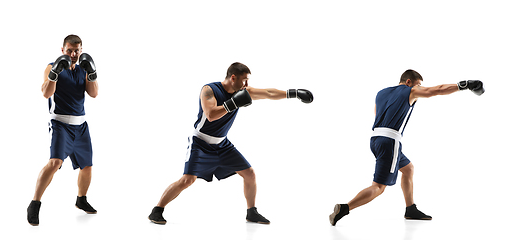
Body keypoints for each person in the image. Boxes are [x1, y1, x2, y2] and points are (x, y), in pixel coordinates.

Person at [148, 62, 313, 225]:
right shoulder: (209, 89)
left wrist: (294, 93)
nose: (247, 84)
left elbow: (268, 93)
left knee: (249, 173)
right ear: (233, 77)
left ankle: (252, 212)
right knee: (187, 180)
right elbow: (211, 114)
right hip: (200, 142)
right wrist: (233, 103)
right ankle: (157, 210)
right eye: (244, 80)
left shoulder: (242, 91)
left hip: (222, 145)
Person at [329, 69, 484, 226]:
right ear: (409, 82)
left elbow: (377, 114)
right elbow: (437, 90)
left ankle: (410, 209)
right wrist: (463, 86)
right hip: (390, 142)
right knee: (379, 187)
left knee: (408, 168)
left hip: (375, 139)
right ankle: (344, 208)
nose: (419, 89)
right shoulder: (410, 90)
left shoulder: (381, 93)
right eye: (418, 85)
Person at [27, 35, 99, 226]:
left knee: (87, 166)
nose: (74, 54)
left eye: (77, 50)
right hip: (60, 124)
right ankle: (34, 204)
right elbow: (46, 93)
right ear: (63, 50)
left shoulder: (84, 69)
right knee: (55, 162)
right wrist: (54, 74)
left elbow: (93, 93)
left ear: (81, 50)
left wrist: (92, 73)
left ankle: (81, 199)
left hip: (81, 125)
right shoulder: (52, 67)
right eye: (70, 51)